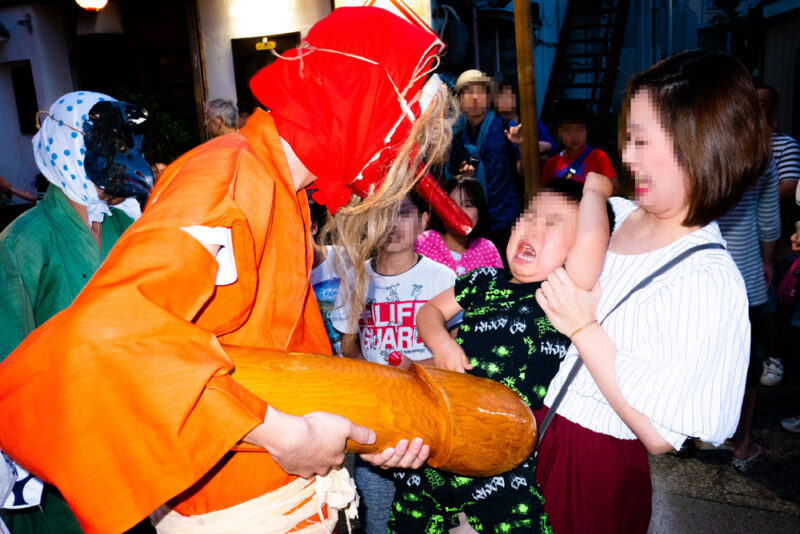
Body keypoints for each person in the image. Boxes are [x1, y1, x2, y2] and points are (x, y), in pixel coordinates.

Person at [0, 8, 459, 533]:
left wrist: (363, 429)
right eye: (405, 129)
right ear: (360, 107)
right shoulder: (231, 179)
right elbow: (116, 333)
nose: (409, 156)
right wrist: (286, 437)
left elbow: (278, 367)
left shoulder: (277, 188)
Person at [533, 50, 770, 534]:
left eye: (642, 141)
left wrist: (583, 327)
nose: (626, 156)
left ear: (698, 147)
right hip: (544, 431)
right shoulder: (617, 213)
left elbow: (661, 435)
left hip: (596, 467)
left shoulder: (706, 279)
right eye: (628, 138)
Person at [390, 175, 613, 533]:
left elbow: (592, 244)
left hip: (505, 455)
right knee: (411, 520)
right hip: (441, 435)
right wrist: (443, 344)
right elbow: (429, 312)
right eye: (528, 216)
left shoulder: (560, 293)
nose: (532, 228)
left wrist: (595, 193)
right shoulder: (483, 279)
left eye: (553, 224)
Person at [0, 91, 154, 533]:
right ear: (72, 147)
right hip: (57, 462)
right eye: (109, 144)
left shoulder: (130, 227)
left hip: (131, 443)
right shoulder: (24, 243)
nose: (122, 156)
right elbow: (9, 371)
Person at [330, 190, 455, 534]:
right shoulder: (355, 278)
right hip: (377, 422)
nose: (391, 225)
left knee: (432, 517)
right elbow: (348, 346)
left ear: (423, 221)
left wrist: (412, 369)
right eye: (381, 214)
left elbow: (457, 350)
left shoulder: (443, 279)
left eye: (402, 213)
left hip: (429, 416)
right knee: (376, 515)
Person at [717, 158, 780, 471]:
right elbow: (768, 220)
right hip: (743, 269)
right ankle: (742, 443)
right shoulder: (761, 157)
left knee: (698, 348)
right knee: (745, 358)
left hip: (699, 264)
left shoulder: (700, 139)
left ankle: (685, 434)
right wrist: (768, 260)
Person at [448, 69, 524, 256]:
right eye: (467, 92)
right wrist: (464, 178)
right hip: (473, 225)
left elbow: (524, 171)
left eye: (480, 92)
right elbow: (452, 179)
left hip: (506, 221)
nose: (474, 98)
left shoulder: (507, 128)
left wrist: (523, 146)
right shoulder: (456, 138)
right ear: (459, 100)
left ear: (489, 98)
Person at [755, 84, 800, 387]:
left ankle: (774, 358)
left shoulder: (784, 143)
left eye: (763, 103)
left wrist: (755, 196)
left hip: (775, 235)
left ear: (773, 108)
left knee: (769, 298)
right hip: (741, 231)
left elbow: (789, 184)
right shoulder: (737, 141)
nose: (757, 107)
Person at [415, 176, 503, 276]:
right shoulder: (423, 243)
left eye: (468, 205)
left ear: (480, 213)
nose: (459, 212)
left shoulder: (488, 250)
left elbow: (498, 287)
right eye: (452, 204)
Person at [540, 104, 619, 193]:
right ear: (557, 133)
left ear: (587, 131)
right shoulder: (551, 164)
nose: (574, 136)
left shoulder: (599, 157)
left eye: (580, 129)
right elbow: (545, 194)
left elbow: (614, 188)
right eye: (568, 130)